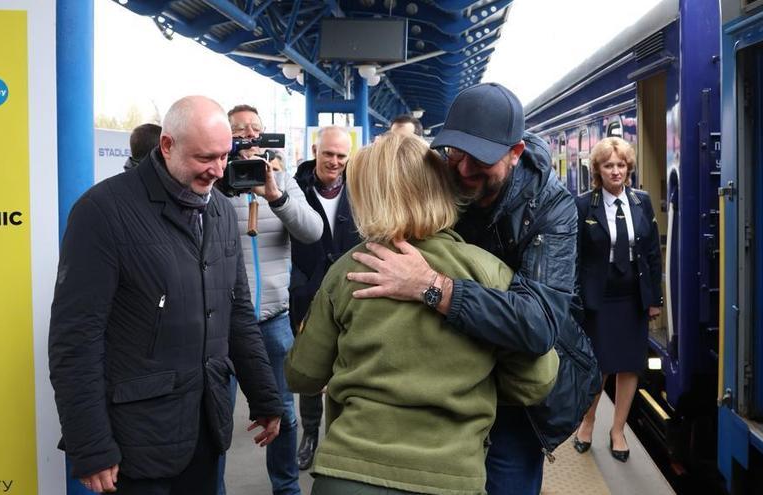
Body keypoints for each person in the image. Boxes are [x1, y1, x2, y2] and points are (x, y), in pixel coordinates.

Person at [285, 132, 559, 495]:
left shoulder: (349, 272)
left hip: (348, 473)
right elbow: (536, 381)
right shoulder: (487, 272)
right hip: (449, 477)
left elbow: (302, 375)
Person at [346, 83, 578, 493]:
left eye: (481, 160)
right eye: (456, 154)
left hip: (513, 395)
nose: (464, 172)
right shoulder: (442, 171)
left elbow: (540, 324)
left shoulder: (552, 207)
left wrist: (431, 287)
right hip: (448, 387)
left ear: (515, 152)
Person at [49, 95, 283, 494]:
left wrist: (265, 397)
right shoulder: (102, 211)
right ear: (167, 146)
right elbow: (76, 339)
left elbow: (237, 313)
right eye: (204, 158)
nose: (217, 170)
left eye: (224, 157)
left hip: (207, 429)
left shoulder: (222, 212)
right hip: (136, 443)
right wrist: (90, 445)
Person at [221, 104, 323, 495]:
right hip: (227, 320)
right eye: (238, 130)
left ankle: (287, 488)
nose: (248, 135)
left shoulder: (281, 177)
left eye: (255, 128)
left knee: (283, 412)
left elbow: (313, 231)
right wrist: (226, 181)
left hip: (275, 317)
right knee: (217, 417)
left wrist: (275, 195)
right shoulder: (217, 179)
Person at [572, 137, 662, 462]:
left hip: (632, 296)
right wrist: (577, 299)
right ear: (597, 169)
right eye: (609, 165)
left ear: (629, 168)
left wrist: (655, 299)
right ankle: (588, 422)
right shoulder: (584, 205)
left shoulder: (642, 201)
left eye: (621, 165)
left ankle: (618, 430)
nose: (616, 171)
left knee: (630, 365)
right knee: (599, 366)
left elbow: (652, 253)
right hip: (600, 297)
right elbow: (576, 257)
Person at [288, 126, 359, 471]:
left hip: (351, 294)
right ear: (316, 150)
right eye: (328, 153)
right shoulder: (295, 189)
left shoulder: (360, 191)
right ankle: (311, 434)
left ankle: (341, 439)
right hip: (307, 295)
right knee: (310, 369)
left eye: (341, 156)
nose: (334, 161)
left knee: (349, 366)